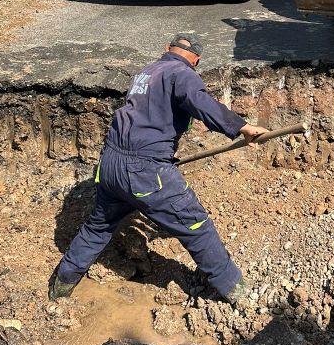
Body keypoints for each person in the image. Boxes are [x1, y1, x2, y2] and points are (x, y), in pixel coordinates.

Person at [49, 33, 268, 304]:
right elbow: (202, 104)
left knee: (98, 227)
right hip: (144, 170)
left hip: (110, 164)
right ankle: (237, 291)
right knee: (196, 224)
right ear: (196, 60)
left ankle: (62, 285)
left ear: (167, 49)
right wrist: (242, 127)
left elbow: (148, 116)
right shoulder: (182, 73)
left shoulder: (147, 72)